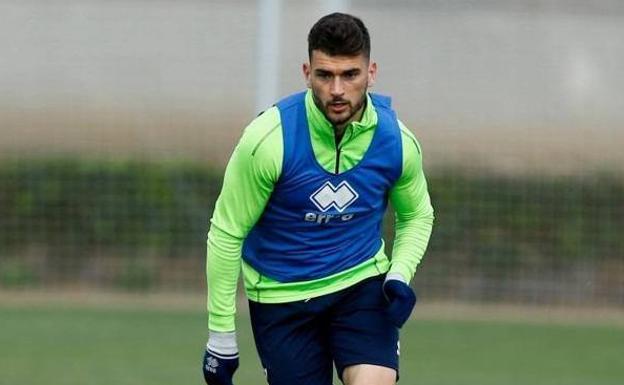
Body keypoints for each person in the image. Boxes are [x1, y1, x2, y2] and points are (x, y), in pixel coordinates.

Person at [202, 12, 434, 385]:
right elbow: (227, 233)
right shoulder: (268, 140)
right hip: (281, 297)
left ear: (371, 73)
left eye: (350, 75)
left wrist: (399, 275)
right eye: (325, 75)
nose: (337, 90)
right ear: (307, 72)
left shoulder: (397, 143)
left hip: (360, 284)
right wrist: (221, 337)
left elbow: (417, 215)